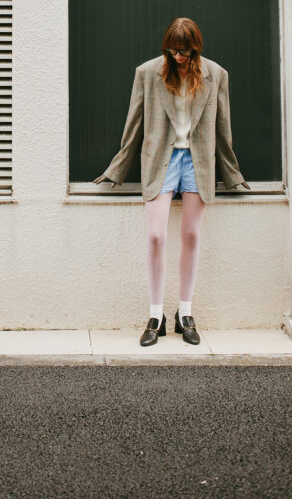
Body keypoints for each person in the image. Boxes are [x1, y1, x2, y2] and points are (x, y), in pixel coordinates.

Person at [93, 17, 250, 347]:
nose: (178, 57)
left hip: (197, 160)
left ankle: (185, 314)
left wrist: (232, 174)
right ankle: (155, 316)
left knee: (191, 234)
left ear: (196, 49)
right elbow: (134, 125)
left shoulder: (215, 74)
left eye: (184, 51)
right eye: (172, 50)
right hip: (160, 160)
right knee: (155, 236)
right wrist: (117, 169)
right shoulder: (148, 73)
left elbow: (222, 130)